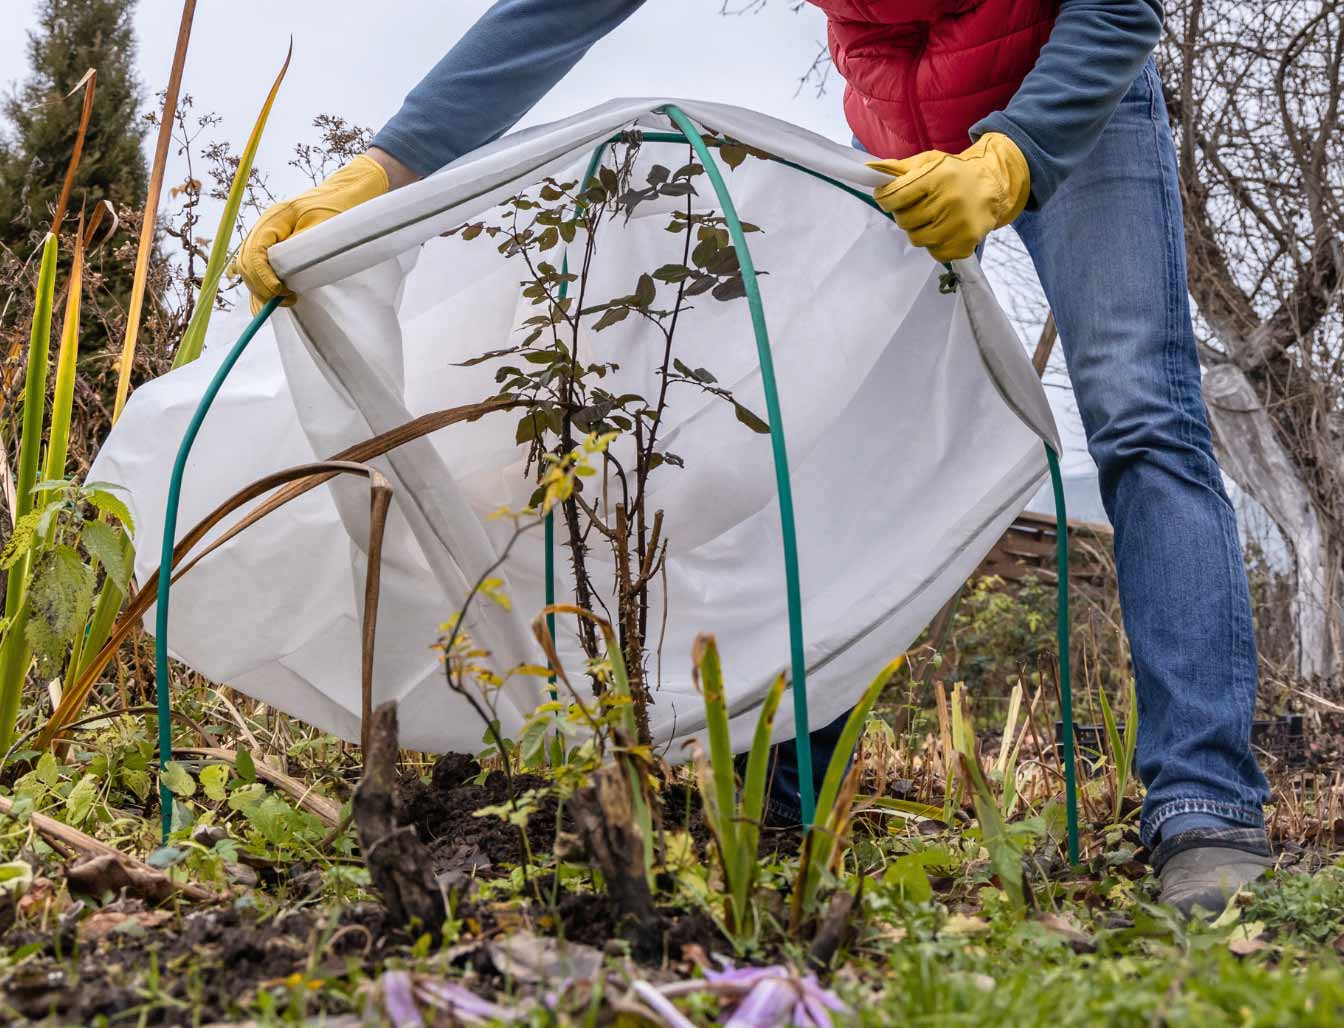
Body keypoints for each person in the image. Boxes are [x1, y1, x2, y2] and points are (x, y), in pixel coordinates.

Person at [232, 0, 1273, 914]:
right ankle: (790, 797)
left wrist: (1013, 157)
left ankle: (1205, 805)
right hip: (906, 119)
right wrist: (386, 164)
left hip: (1071, 91)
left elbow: (1118, 5)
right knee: (861, 439)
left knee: (1141, 415)